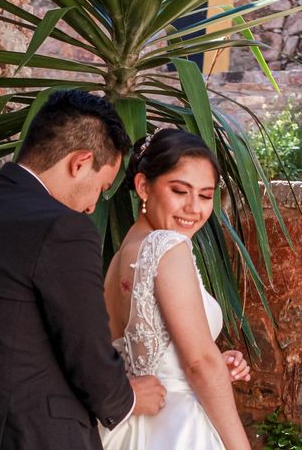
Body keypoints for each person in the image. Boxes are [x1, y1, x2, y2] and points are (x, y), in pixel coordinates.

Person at [0, 90, 166, 450]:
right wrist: (127, 399)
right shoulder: (63, 229)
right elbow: (86, 350)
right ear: (80, 163)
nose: (93, 206)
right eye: (101, 187)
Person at [100, 128, 252, 450]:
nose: (194, 208)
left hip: (127, 428)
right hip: (176, 428)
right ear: (143, 186)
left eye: (206, 195)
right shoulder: (166, 245)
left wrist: (212, 363)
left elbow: (146, 349)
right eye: (180, 191)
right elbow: (199, 363)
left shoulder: (123, 255)